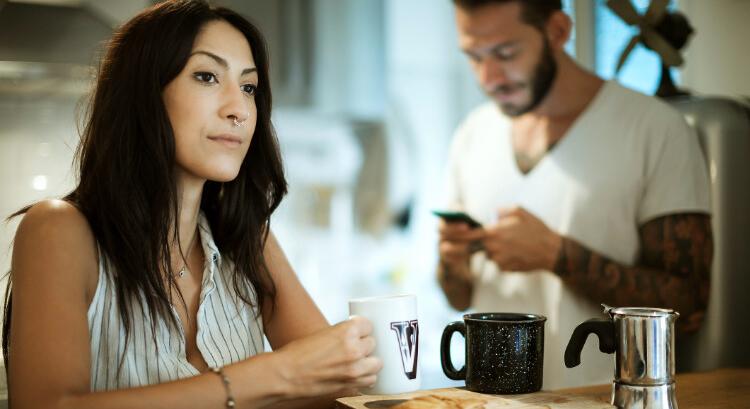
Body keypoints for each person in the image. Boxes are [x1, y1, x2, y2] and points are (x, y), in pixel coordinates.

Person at [2, 1, 382, 408]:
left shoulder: (245, 240)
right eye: (207, 76)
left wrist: (336, 364)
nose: (238, 109)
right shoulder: (58, 231)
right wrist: (276, 374)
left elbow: (335, 389)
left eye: (249, 87)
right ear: (143, 93)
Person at [437, 0, 713, 388]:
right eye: (473, 57)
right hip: (488, 399)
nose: (489, 78)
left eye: (505, 53)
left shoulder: (654, 129)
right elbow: (458, 296)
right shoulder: (471, 135)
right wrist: (452, 261)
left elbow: (688, 306)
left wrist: (556, 255)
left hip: (602, 400)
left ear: (559, 31)